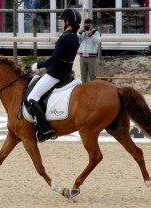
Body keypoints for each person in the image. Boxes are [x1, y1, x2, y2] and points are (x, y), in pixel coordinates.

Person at [27, 8, 81, 142]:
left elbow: (54, 59)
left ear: (68, 22)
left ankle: (45, 128)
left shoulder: (64, 38)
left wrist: (38, 65)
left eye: (63, 21)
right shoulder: (75, 37)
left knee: (32, 96)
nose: (61, 23)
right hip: (66, 73)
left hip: (56, 74)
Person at [77, 18, 101, 83]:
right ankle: (84, 90)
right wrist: (80, 32)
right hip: (82, 57)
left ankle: (93, 91)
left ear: (92, 25)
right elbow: (76, 39)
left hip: (91, 57)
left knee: (92, 76)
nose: (88, 27)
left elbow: (98, 41)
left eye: (89, 25)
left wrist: (90, 35)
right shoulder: (82, 32)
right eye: (86, 25)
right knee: (83, 76)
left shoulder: (95, 32)